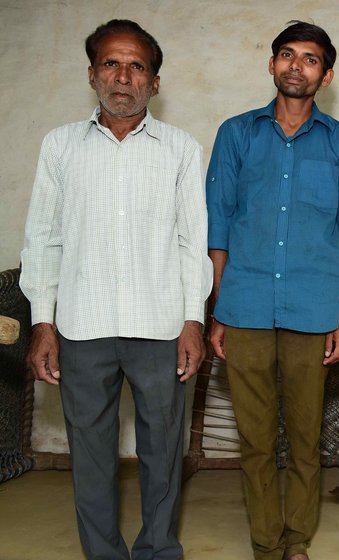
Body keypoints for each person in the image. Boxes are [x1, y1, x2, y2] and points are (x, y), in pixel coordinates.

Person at [20, 19, 212, 560]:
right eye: (111, 63)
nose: (122, 76)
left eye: (136, 66)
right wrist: (43, 322)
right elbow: (44, 239)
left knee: (162, 450)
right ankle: (102, 553)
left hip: (160, 326)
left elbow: (190, 242)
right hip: (83, 326)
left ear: (154, 81)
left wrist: (192, 321)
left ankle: (157, 549)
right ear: (91, 74)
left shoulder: (179, 148)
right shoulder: (60, 147)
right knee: (91, 454)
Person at [205, 20, 339, 560]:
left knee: (304, 439)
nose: (297, 66)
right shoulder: (236, 134)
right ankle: (265, 543)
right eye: (288, 56)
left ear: (327, 73)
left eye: (310, 58)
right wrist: (220, 307)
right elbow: (219, 222)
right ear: (272, 64)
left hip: (313, 311)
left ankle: (297, 539)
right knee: (253, 441)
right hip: (244, 307)